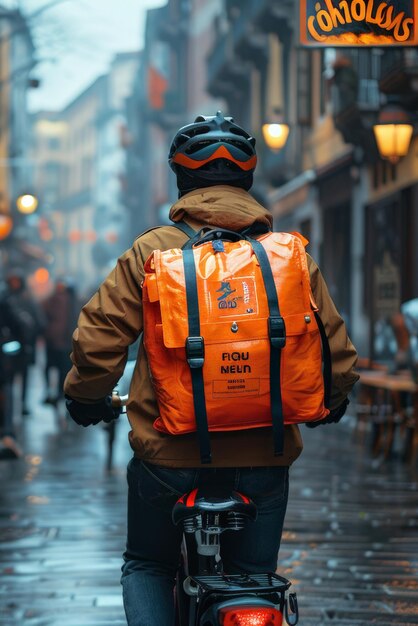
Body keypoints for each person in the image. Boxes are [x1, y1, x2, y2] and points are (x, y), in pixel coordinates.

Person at [64, 112, 359, 626]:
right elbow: (333, 345)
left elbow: (99, 337)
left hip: (168, 453)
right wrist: (333, 399)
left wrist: (85, 396)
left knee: (148, 565)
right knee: (256, 575)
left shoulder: (153, 251)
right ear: (247, 180)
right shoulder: (288, 257)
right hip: (263, 454)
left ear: (182, 181)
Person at [42, 278, 78, 407]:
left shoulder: (66, 300)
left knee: (58, 369)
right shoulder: (58, 300)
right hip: (59, 341)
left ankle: (57, 392)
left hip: (62, 341)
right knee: (59, 369)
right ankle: (57, 392)